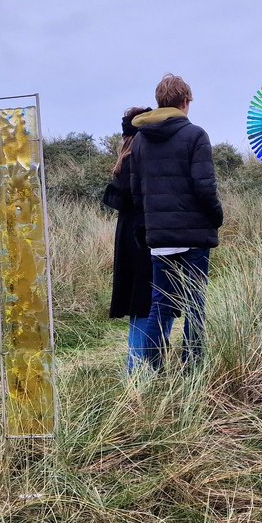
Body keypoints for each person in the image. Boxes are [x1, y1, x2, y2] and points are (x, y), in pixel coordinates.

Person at [128, 73, 223, 369]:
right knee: (195, 303)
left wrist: (154, 223)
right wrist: (216, 217)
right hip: (194, 237)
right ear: (185, 102)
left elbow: (136, 192)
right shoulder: (196, 135)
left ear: (160, 102)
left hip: (160, 238)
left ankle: (152, 369)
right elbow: (205, 188)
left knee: (161, 304)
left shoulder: (140, 140)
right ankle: (191, 369)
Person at [103, 106, 155, 374]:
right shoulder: (139, 160)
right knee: (146, 304)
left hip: (128, 238)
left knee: (141, 305)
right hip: (142, 239)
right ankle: (138, 370)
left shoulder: (124, 161)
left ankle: (138, 369)